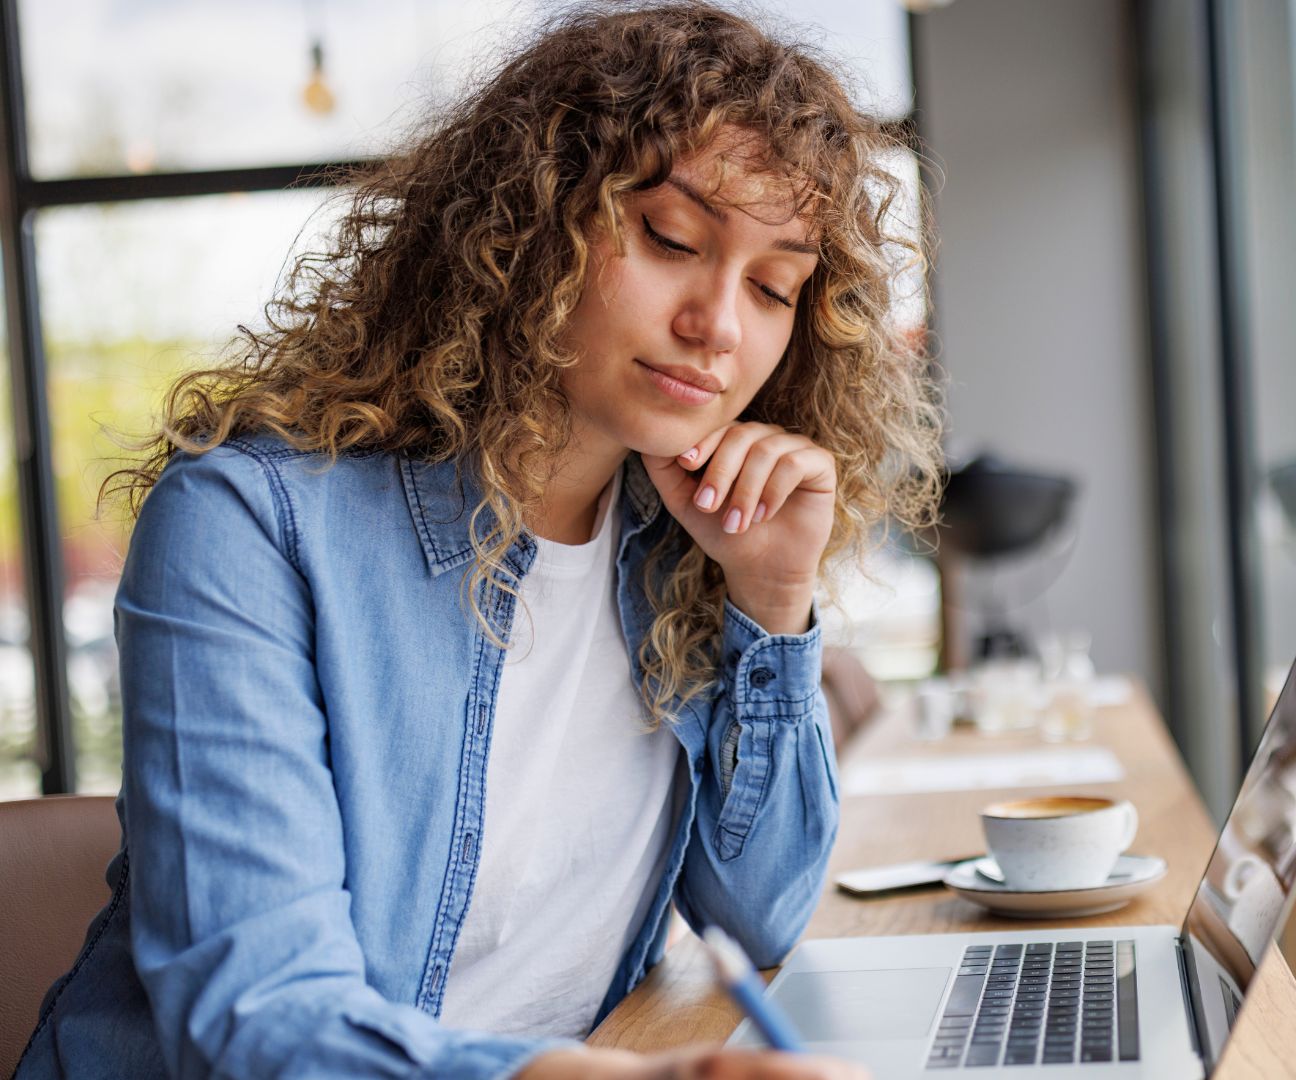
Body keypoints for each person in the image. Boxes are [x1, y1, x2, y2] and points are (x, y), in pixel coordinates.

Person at [14, 3, 940, 1078]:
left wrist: (771, 603)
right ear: (532, 222)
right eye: (674, 241)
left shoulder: (672, 542)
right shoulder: (249, 526)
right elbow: (258, 1021)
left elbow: (762, 918)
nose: (720, 326)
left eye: (775, 286)